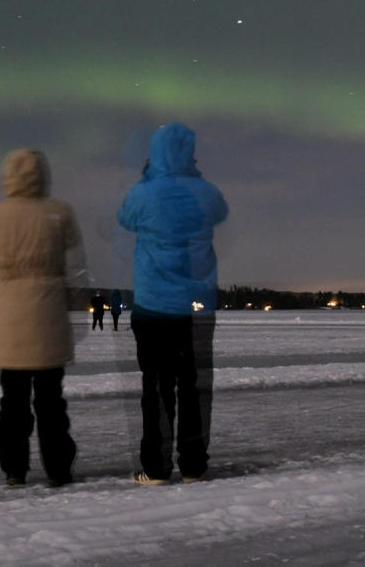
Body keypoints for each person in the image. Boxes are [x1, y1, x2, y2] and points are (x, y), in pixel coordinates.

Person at [119, 122, 228, 485]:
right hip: (196, 307)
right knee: (194, 386)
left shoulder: (144, 193)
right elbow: (221, 212)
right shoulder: (206, 192)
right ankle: (194, 465)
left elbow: (125, 218)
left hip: (153, 306)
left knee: (156, 386)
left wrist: (149, 178)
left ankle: (156, 466)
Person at [0, 148, 87, 487]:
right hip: (49, 318)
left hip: (9, 323)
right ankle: (58, 469)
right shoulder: (59, 212)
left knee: (12, 403)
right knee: (51, 402)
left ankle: (14, 468)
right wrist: (78, 311)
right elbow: (77, 269)